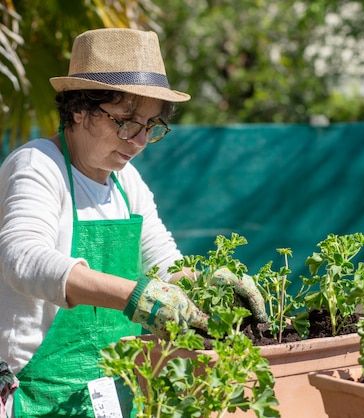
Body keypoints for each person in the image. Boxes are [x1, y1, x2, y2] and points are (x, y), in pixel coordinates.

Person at [0, 28, 266, 417]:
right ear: (78, 108)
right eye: (125, 120)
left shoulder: (126, 181)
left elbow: (161, 263)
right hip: (37, 397)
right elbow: (22, 258)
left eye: (150, 126)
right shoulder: (39, 165)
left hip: (112, 393)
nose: (138, 140)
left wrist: (203, 282)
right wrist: (132, 295)